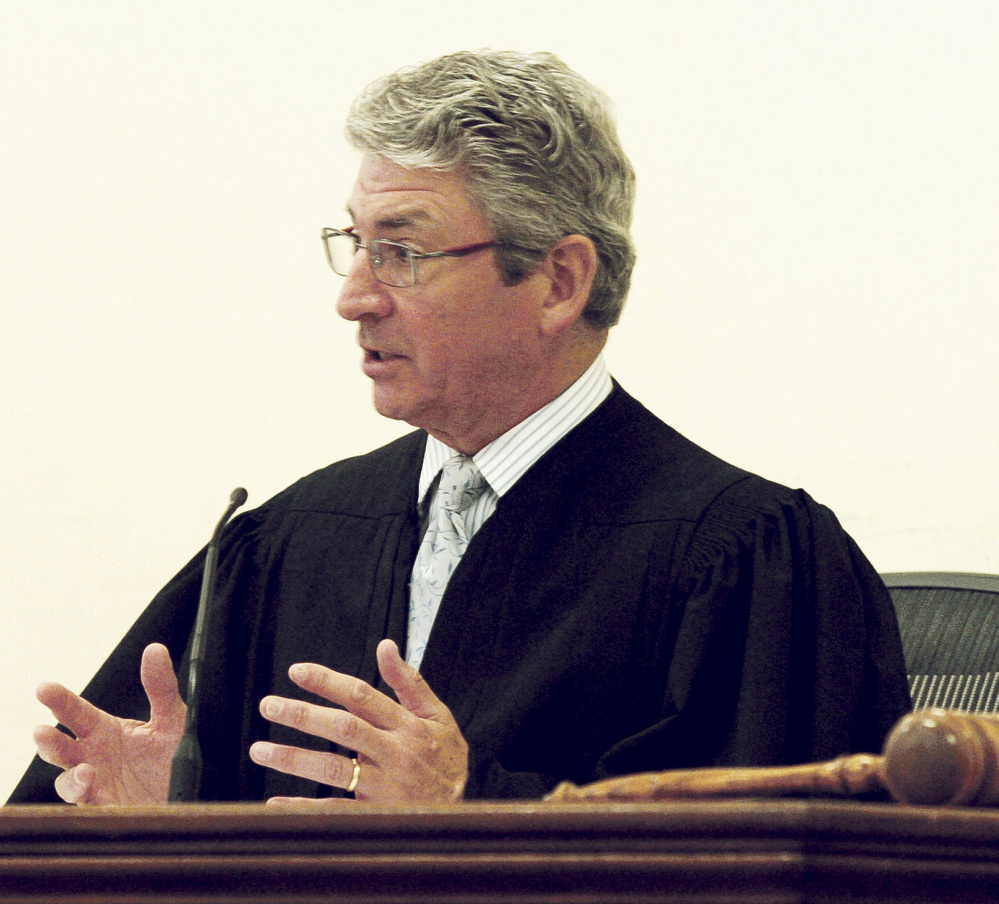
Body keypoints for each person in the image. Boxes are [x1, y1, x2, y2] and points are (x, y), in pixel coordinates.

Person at [9, 50, 910, 808]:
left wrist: (464, 806)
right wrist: (171, 818)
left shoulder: (747, 562)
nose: (353, 296)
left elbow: (776, 869)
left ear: (557, 282)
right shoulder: (287, 541)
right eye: (353, 243)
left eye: (401, 252)